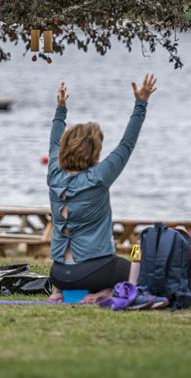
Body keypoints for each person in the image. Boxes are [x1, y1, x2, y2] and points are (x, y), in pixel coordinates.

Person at [46, 74, 157, 304]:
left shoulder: (54, 174)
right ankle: (103, 293)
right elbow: (127, 144)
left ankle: (61, 293)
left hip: (58, 275)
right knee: (141, 271)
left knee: (88, 270)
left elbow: (54, 141)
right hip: (94, 272)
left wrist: (61, 109)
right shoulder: (98, 177)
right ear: (94, 151)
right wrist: (141, 104)